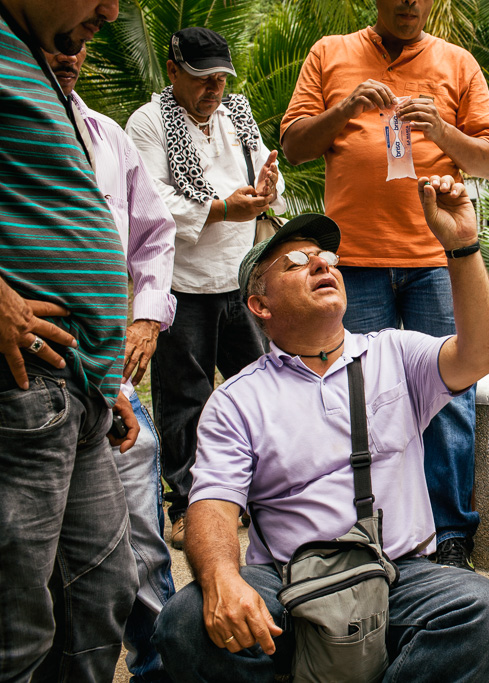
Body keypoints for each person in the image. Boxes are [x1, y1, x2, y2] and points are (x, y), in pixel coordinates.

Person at [151, 175, 489, 682]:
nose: (323, 263)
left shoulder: (395, 351)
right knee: (183, 624)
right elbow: (212, 504)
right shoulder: (236, 399)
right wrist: (221, 579)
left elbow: (484, 354)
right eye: (298, 262)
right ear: (260, 306)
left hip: (399, 574)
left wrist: (461, 246)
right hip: (286, 583)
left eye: (327, 258)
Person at [279, 0, 489, 570]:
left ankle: (451, 535)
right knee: (361, 399)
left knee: (451, 395)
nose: (410, 3)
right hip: (352, 262)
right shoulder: (330, 52)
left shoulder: (457, 62)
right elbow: (294, 144)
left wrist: (443, 130)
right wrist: (346, 108)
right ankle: (368, 528)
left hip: (435, 260)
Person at [0, 0, 142, 680]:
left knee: (102, 595)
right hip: (22, 388)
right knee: (14, 627)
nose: (109, 12)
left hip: (78, 389)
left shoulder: (29, 56)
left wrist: (102, 376)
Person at [126, 26, 286, 550]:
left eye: (220, 77)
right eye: (201, 77)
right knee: (185, 398)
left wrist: (267, 188)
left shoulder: (237, 114)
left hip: (242, 277)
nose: (213, 88)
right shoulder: (149, 122)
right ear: (173, 72)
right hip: (183, 282)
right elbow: (151, 203)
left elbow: (271, 180)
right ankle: (189, 505)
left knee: (260, 385)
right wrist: (221, 209)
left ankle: (265, 492)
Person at [47, 45, 178, 683]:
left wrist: (148, 314)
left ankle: (162, 663)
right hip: (32, 381)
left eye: (79, 43)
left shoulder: (108, 136)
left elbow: (153, 233)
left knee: (138, 548)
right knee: (40, 567)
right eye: (57, 40)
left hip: (110, 383)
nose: (70, 52)